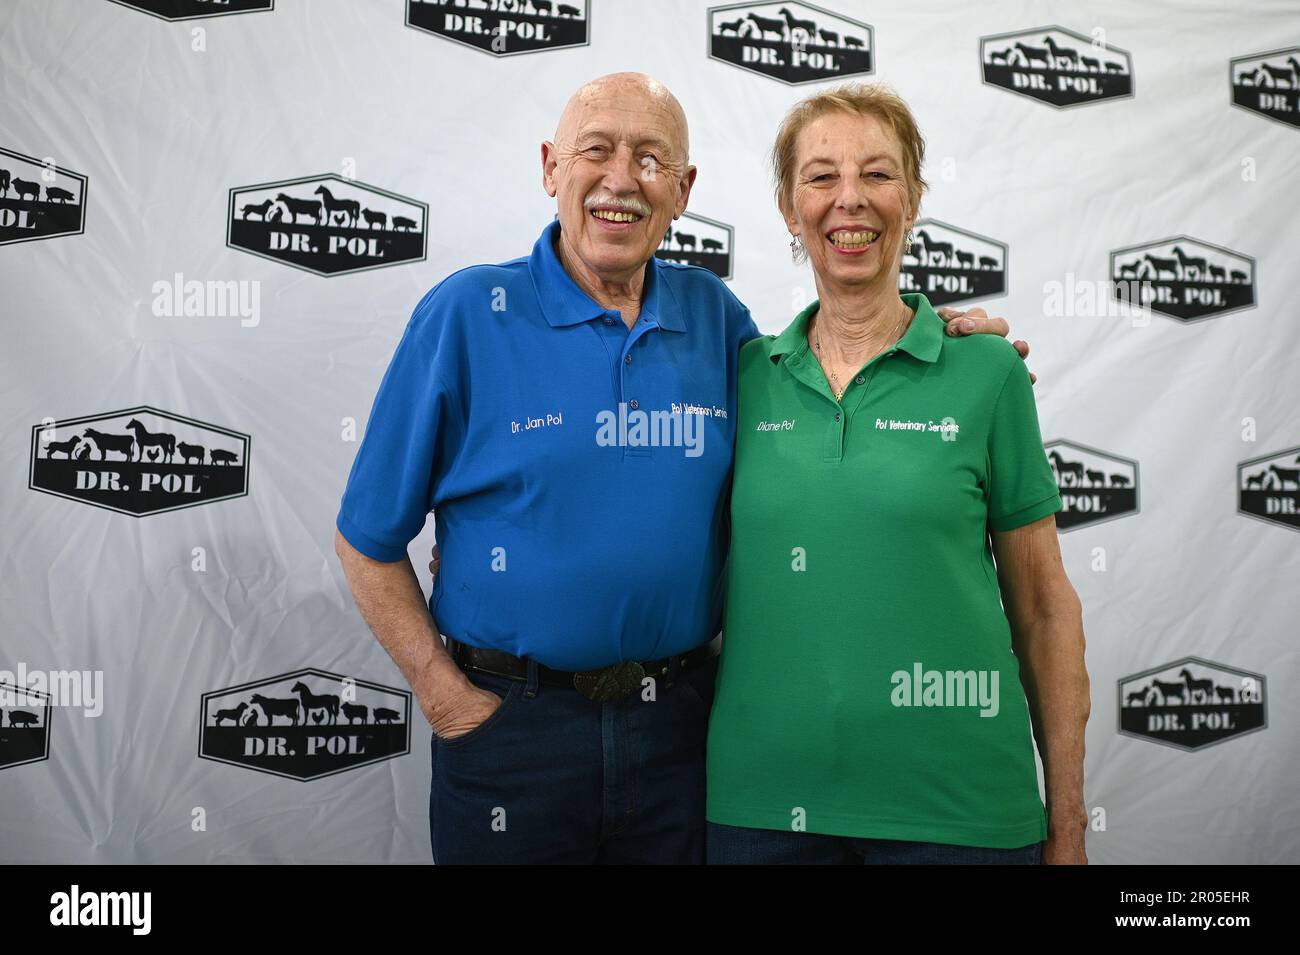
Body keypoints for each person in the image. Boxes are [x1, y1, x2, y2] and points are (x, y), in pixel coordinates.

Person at [336, 73, 1023, 864]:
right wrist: (445, 697)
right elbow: (365, 539)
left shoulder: (716, 320)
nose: (622, 179)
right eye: (596, 151)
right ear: (551, 168)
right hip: (512, 736)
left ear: (684, 189)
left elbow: (834, 376)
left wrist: (953, 352)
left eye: (651, 158)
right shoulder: (466, 316)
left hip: (681, 735)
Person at [704, 82, 1090, 865]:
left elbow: (1046, 610)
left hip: (961, 819)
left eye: (878, 174)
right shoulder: (738, 378)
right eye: (821, 176)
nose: (850, 199)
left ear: (912, 197)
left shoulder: (986, 372)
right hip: (764, 813)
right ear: (787, 206)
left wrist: (1070, 827)